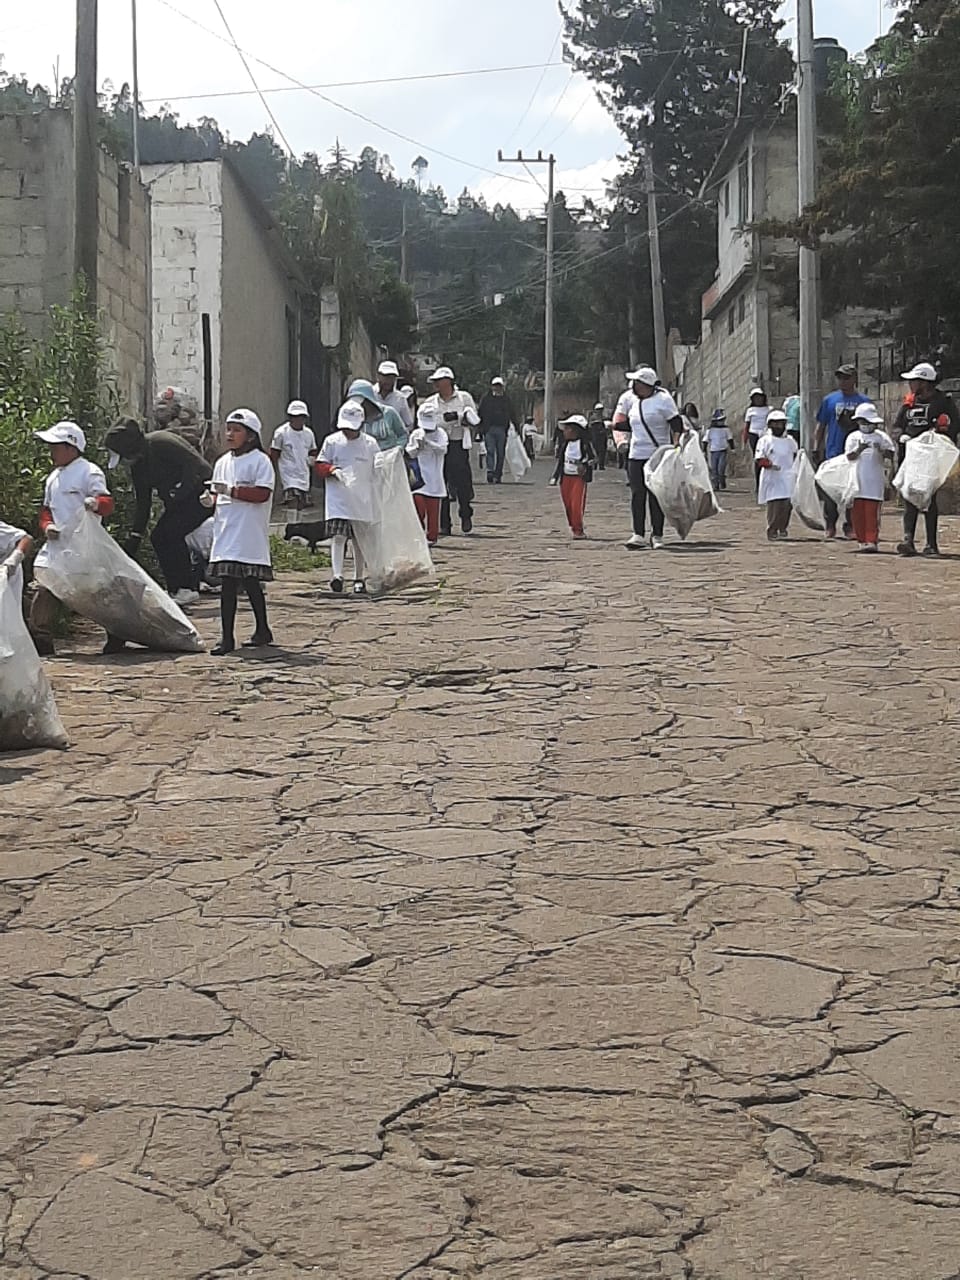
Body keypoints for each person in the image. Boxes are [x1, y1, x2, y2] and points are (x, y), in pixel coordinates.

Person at [103, 417, 212, 606]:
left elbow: (193, 464)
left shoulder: (161, 442)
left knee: (171, 533)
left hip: (201, 494)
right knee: (159, 537)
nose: (125, 463)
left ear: (131, 448)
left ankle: (186, 587)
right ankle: (176, 588)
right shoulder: (139, 467)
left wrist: (180, 491)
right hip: (179, 501)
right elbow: (143, 502)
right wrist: (135, 537)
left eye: (123, 457)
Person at [30, 421, 117, 654]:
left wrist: (95, 504)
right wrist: (47, 525)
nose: (52, 452)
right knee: (45, 587)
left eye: (56, 447)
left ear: (71, 447)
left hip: (84, 545)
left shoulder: (90, 472)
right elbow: (46, 510)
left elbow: (107, 504)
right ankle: (41, 638)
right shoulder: (53, 478)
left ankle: (117, 632)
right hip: (58, 546)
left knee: (96, 591)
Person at [203, 409, 275, 656]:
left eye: (237, 430)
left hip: (248, 531)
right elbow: (216, 491)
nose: (230, 434)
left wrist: (232, 492)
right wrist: (210, 498)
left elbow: (262, 493)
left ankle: (262, 629)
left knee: (251, 582)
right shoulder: (222, 462)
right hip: (226, 529)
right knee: (228, 584)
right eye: (229, 429)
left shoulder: (260, 461)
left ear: (251, 436)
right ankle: (226, 637)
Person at [894, 361, 960, 557]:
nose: (911, 384)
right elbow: (898, 425)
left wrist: (940, 433)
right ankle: (908, 540)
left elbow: (953, 426)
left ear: (925, 382)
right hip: (910, 456)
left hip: (930, 457)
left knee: (928, 498)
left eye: (915, 381)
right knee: (909, 496)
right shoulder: (910, 401)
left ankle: (931, 544)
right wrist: (901, 436)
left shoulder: (943, 401)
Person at [614, 367, 683, 550]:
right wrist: (615, 426)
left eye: (637, 383)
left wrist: (676, 445)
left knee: (655, 495)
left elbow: (676, 424)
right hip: (636, 455)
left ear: (646, 384)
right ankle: (638, 533)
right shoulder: (634, 402)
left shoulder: (663, 400)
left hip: (657, 455)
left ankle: (657, 534)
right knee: (637, 494)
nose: (633, 386)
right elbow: (634, 424)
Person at [315, 400, 379, 594]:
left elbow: (379, 468)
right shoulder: (332, 441)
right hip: (338, 498)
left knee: (359, 541)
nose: (348, 432)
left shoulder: (370, 444)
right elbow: (319, 465)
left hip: (362, 498)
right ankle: (337, 575)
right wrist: (332, 469)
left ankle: (359, 577)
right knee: (338, 536)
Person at [814, 365, 871, 538]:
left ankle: (850, 525)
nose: (842, 381)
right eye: (840, 378)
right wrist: (817, 447)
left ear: (854, 379)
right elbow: (821, 425)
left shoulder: (864, 402)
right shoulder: (830, 400)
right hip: (834, 450)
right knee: (831, 490)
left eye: (846, 378)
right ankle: (830, 523)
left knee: (853, 490)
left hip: (856, 453)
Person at [421, 366, 480, 536]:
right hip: (439, 445)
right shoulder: (431, 402)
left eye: (440, 381)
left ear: (448, 381)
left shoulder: (464, 398)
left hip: (457, 443)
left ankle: (465, 513)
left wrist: (460, 417)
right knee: (441, 483)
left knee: (462, 482)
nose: (437, 385)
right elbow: (427, 421)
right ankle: (444, 523)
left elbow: (474, 419)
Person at [844, 403, 896, 554]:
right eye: (863, 422)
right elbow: (849, 456)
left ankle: (872, 539)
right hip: (857, 480)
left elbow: (891, 454)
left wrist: (881, 450)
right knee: (858, 513)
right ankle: (862, 540)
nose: (866, 425)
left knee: (872, 513)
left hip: (874, 481)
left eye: (869, 423)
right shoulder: (853, 437)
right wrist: (859, 449)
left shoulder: (881, 437)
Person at [406, 403, 449, 547]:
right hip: (419, 478)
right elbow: (409, 452)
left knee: (433, 510)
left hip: (435, 478)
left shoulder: (441, 434)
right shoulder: (416, 434)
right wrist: (417, 447)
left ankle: (432, 536)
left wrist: (429, 443)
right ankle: (417, 533)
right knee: (418, 507)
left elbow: (443, 449)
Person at [552, 414, 597, 539]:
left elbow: (593, 459)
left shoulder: (584, 444)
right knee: (568, 504)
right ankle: (573, 525)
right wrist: (555, 477)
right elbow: (560, 461)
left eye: (567, 429)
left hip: (578, 478)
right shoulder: (564, 445)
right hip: (566, 477)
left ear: (575, 430)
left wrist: (584, 464)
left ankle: (578, 529)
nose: (565, 432)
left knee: (576, 504)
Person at [755, 409, 797, 541]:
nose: (779, 426)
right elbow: (759, 458)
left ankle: (783, 527)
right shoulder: (765, 440)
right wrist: (769, 465)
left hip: (788, 475)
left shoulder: (790, 440)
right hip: (772, 476)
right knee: (774, 504)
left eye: (781, 423)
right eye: (776, 424)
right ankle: (772, 528)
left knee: (787, 504)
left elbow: (796, 454)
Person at [269, 400, 318, 510]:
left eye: (300, 417)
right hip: (288, 476)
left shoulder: (308, 433)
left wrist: (312, 461)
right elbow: (274, 453)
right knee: (292, 503)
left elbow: (313, 451)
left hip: (304, 475)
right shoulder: (281, 432)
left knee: (302, 506)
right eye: (294, 417)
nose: (297, 420)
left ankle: (297, 525)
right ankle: (292, 523)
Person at [347, 379, 408, 452]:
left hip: (389, 457)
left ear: (369, 400)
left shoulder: (389, 413)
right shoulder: (353, 417)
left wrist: (398, 449)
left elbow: (403, 435)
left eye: (361, 403)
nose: (359, 406)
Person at [477, 376, 517, 485]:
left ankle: (498, 474)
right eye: (495, 386)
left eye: (499, 386)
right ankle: (490, 472)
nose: (497, 388)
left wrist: (516, 427)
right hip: (489, 429)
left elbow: (512, 413)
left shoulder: (506, 399)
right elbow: (480, 413)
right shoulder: (486, 399)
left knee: (500, 453)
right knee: (490, 450)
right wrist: (480, 429)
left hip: (502, 429)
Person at [743, 388, 771, 490]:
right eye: (755, 398)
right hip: (754, 434)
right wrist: (745, 438)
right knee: (758, 458)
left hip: (765, 434)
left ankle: (766, 482)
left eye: (759, 397)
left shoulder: (769, 409)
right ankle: (758, 484)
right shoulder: (750, 411)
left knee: (767, 457)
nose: (758, 400)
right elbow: (747, 425)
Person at [375, 360, 414, 430]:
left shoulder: (400, 398)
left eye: (392, 377)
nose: (388, 380)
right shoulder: (369, 394)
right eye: (385, 376)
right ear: (378, 376)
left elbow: (409, 424)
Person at [705, 409, 734, 491]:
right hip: (713, 451)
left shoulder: (726, 429)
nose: (721, 422)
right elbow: (705, 440)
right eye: (719, 420)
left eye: (722, 420)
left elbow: (730, 439)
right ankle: (716, 485)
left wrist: (732, 448)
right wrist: (704, 450)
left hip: (723, 451)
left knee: (721, 468)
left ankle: (722, 481)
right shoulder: (710, 430)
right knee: (714, 469)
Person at [588, 403, 607, 470]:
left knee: (602, 452)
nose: (600, 411)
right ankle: (595, 465)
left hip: (602, 438)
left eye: (601, 410)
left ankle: (601, 465)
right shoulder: (593, 418)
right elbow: (590, 427)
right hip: (595, 437)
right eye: (599, 410)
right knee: (595, 451)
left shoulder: (603, 417)